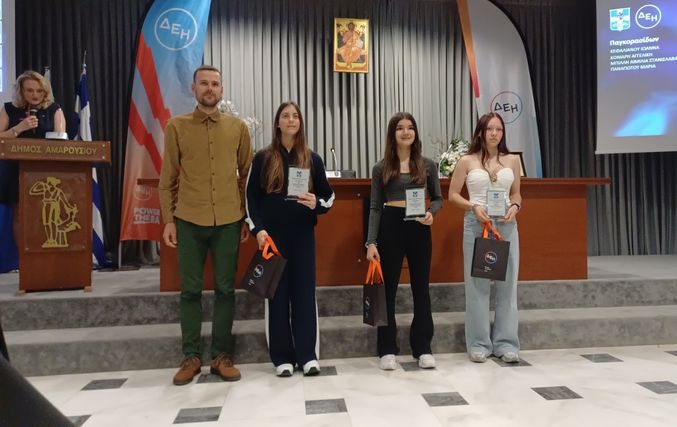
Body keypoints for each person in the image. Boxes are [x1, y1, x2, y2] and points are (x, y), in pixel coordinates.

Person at [158, 65, 253, 385]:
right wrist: (169, 221)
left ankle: (221, 356)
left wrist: (246, 217)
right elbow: (167, 179)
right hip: (189, 220)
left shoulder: (238, 128)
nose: (210, 89)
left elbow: (247, 177)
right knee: (190, 291)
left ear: (222, 90)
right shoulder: (176, 127)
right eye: (204, 84)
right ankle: (191, 357)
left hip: (228, 221)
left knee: (226, 290)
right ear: (194, 88)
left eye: (215, 84)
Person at [245, 101, 334, 377]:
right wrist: (258, 230)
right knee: (277, 296)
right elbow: (251, 199)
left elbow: (328, 197)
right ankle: (282, 357)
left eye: (295, 116)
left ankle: (307, 355)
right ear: (277, 123)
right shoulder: (262, 158)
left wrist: (316, 203)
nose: (291, 120)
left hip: (303, 237)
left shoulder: (312, 158)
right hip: (273, 240)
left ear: (300, 122)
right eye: (286, 116)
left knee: (304, 294)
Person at [365, 112, 442, 370]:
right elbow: (375, 207)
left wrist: (431, 214)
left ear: (415, 133)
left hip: (419, 228)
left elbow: (438, 198)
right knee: (388, 291)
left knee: (421, 288)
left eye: (410, 128)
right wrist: (371, 242)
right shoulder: (381, 168)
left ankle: (423, 347)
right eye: (400, 128)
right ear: (392, 133)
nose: (406, 132)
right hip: (391, 226)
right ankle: (387, 348)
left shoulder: (428, 165)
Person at [448, 112, 522, 363]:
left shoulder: (512, 160)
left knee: (507, 287)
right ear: (480, 132)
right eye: (489, 128)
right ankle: (479, 343)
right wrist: (473, 207)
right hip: (476, 225)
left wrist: (515, 206)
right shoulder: (466, 160)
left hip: (506, 226)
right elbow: (453, 195)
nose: (494, 133)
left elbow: (516, 193)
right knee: (477, 287)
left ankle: (506, 343)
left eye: (499, 129)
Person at [0, 70, 66, 244]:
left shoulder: (54, 109)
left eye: (39, 90)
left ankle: (42, 254)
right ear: (21, 91)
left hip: (46, 171)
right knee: (20, 214)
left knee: (44, 215)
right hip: (15, 170)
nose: (35, 95)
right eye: (30, 90)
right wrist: (19, 129)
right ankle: (22, 255)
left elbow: (61, 140)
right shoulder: (9, 109)